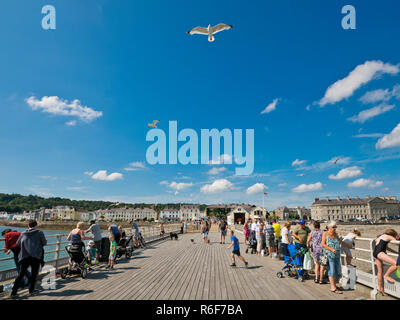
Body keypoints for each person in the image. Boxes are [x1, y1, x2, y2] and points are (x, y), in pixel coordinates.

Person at [10, 220, 47, 298]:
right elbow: (44, 243)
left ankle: (13, 292)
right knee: (34, 274)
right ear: (36, 225)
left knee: (21, 274)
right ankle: (31, 290)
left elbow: (18, 243)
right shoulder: (40, 233)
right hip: (36, 256)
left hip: (24, 256)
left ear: (28, 225)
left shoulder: (23, 233)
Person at [373, 229, 399, 296]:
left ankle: (381, 289)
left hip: (375, 253)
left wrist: (396, 252)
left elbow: (387, 248)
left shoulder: (381, 236)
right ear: (392, 234)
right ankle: (387, 275)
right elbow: (396, 242)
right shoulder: (389, 236)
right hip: (380, 253)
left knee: (380, 272)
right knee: (396, 264)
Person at [322, 221, 345, 294]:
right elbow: (323, 244)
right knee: (332, 270)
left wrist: (351, 246)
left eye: (335, 227)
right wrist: (331, 249)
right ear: (329, 227)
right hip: (329, 255)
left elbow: (341, 242)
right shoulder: (325, 234)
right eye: (333, 227)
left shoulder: (335, 234)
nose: (335, 228)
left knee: (336, 270)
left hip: (337, 255)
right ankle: (333, 288)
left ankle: (334, 285)